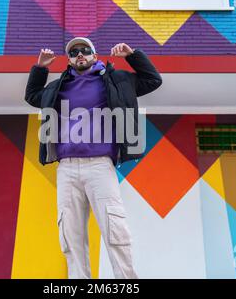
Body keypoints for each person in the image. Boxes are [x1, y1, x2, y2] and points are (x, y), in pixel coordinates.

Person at [25, 37, 162, 279]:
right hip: (66, 168)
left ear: (94, 56)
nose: (80, 54)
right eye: (74, 52)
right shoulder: (58, 87)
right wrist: (41, 68)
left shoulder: (116, 81)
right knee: (70, 234)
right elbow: (32, 96)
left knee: (115, 229)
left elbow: (153, 80)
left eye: (85, 50)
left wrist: (132, 56)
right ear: (68, 60)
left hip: (100, 165)